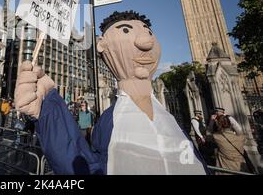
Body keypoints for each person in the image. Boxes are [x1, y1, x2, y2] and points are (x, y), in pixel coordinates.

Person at [15, 10, 208, 175]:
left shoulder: (170, 119)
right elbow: (81, 164)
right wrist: (48, 108)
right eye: (126, 31)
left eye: (148, 32)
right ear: (102, 45)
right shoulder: (111, 121)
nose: (146, 41)